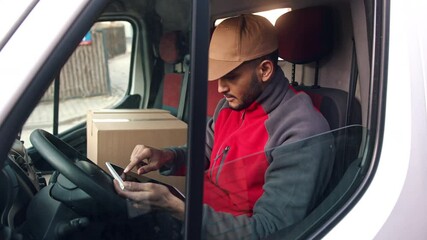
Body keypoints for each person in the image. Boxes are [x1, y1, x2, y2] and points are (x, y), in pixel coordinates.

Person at [114, 14, 334, 239]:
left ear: (265, 70)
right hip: (193, 220)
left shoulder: (301, 132)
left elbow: (272, 231)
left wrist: (178, 208)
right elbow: (206, 154)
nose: (220, 88)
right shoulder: (229, 107)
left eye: (231, 76)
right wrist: (167, 156)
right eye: (217, 76)